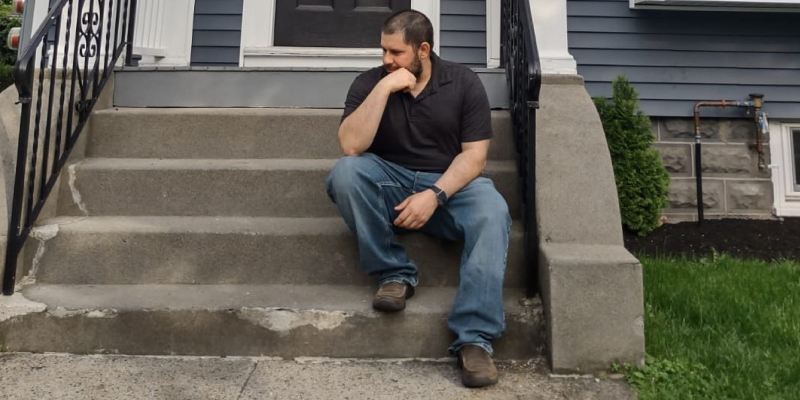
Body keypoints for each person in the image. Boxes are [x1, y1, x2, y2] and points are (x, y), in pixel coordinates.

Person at [325, 9, 510, 388]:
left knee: (494, 211)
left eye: (396, 53)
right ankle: (394, 273)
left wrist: (435, 194)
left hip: (450, 185)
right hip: (390, 183)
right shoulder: (370, 83)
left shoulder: (463, 83)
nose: (386, 60)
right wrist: (383, 88)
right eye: (383, 51)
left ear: (423, 49)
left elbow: (474, 157)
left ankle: (474, 339)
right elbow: (351, 146)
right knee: (345, 173)